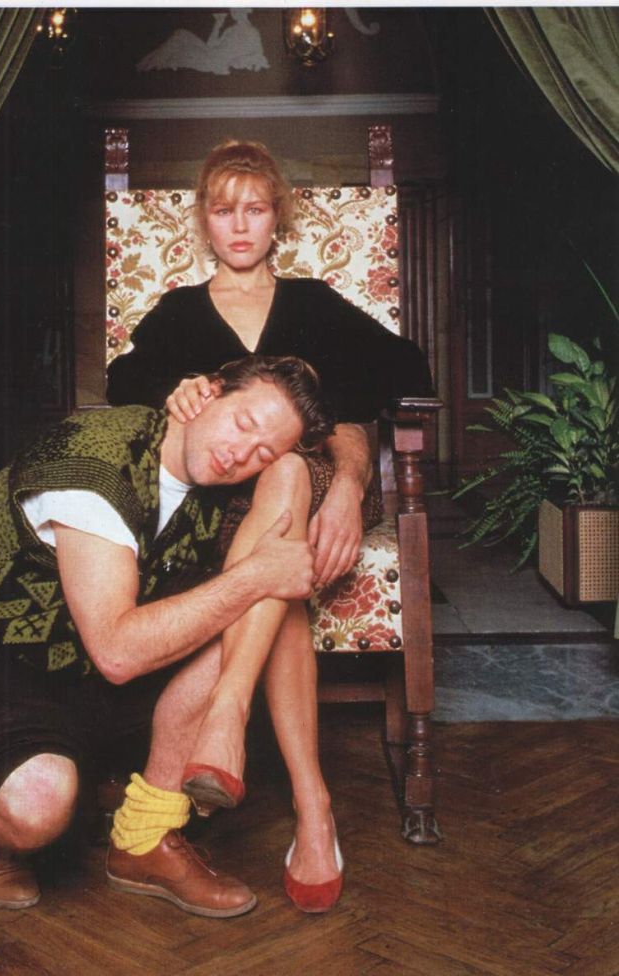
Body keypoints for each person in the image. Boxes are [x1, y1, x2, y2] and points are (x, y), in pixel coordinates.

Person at [106, 140, 435, 912]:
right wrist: (175, 390)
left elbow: (406, 368)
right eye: (224, 210)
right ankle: (314, 807)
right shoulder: (180, 313)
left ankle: (229, 713)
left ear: (276, 218)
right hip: (220, 510)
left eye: (254, 209)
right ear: (204, 220)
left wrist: (347, 474)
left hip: (315, 486)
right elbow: (123, 380)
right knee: (277, 576)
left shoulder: (313, 304)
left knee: (286, 472)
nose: (239, 225)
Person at [0, 355, 333, 918]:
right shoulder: (93, 460)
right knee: (38, 804)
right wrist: (253, 577)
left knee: (265, 602)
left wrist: (335, 482)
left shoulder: (214, 469)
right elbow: (119, 653)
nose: (241, 454)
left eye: (262, 452)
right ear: (208, 392)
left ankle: (145, 838)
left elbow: (305, 470)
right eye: (242, 423)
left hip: (83, 669)